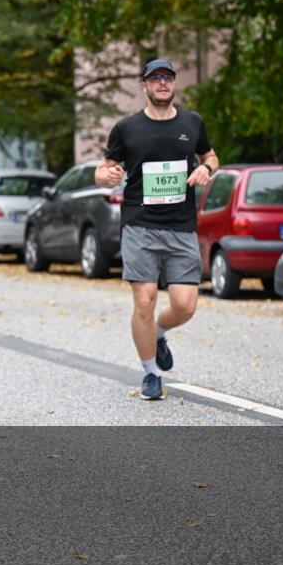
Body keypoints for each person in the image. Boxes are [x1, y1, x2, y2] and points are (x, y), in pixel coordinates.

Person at [95, 58, 219, 401]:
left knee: (185, 305)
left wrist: (206, 169)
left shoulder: (192, 123)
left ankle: (159, 332)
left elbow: (210, 156)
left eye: (167, 78)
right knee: (145, 299)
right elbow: (103, 169)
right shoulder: (127, 128)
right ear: (145, 86)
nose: (162, 83)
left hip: (181, 227)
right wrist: (107, 176)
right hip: (140, 225)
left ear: (174, 84)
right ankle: (150, 373)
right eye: (155, 79)